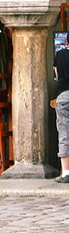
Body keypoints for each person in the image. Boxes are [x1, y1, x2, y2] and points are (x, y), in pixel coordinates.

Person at [53, 46, 69, 182]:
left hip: (63, 96)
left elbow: (57, 75)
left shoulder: (60, 54)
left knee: (64, 133)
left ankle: (66, 172)